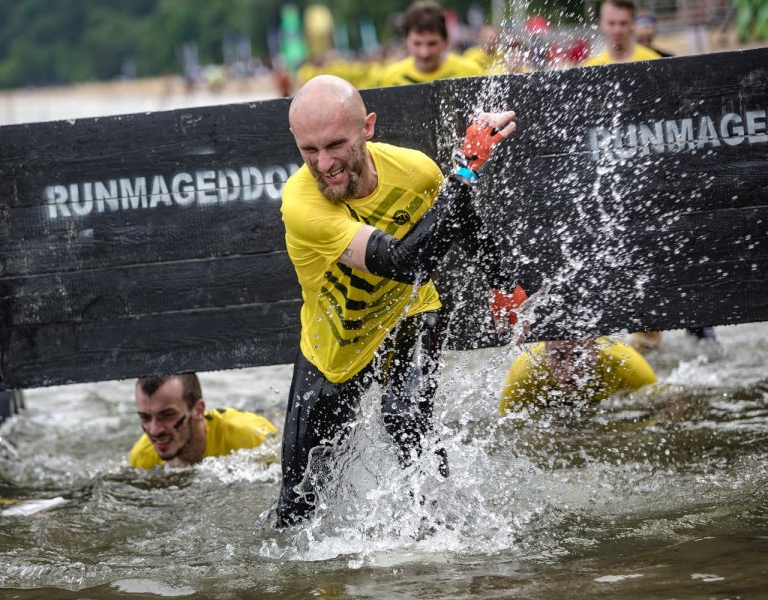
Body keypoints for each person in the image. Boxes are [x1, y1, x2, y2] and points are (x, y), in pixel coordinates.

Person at [276, 74, 527, 526]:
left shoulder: (416, 170)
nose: (325, 164)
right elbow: (400, 261)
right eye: (309, 151)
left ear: (367, 128)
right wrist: (466, 171)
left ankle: (446, 530)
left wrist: (502, 283)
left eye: (336, 145)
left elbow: (459, 217)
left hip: (408, 312)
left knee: (405, 417)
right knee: (296, 505)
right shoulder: (300, 202)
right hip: (334, 347)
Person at [128, 373, 277, 469]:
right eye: (145, 417)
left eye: (167, 415)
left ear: (198, 410)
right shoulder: (142, 457)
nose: (154, 430)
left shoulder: (252, 437)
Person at [499, 337, 656, 414]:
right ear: (546, 354)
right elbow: (508, 429)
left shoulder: (629, 367)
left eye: (578, 355)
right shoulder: (525, 373)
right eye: (558, 357)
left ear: (596, 351)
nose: (569, 370)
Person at [378, 0, 484, 87]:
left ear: (445, 41)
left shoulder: (471, 72)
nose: (425, 53)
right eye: (417, 43)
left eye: (432, 43)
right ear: (406, 41)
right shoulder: (391, 78)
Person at [583, 0, 662, 66]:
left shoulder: (653, 62)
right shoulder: (591, 67)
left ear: (633, 23)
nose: (617, 30)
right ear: (600, 24)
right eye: (611, 23)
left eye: (623, 23)